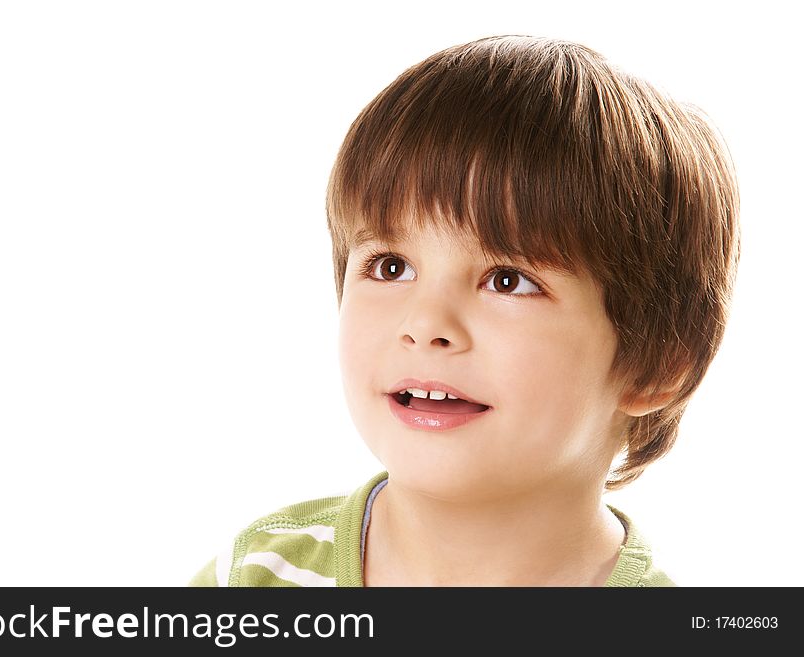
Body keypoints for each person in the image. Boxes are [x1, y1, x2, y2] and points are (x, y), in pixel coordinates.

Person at [189, 35, 740, 587]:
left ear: (660, 363)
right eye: (390, 267)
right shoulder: (252, 579)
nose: (426, 325)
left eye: (507, 281)